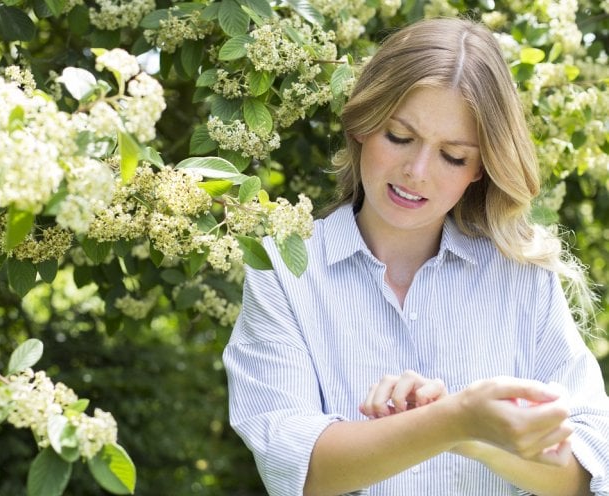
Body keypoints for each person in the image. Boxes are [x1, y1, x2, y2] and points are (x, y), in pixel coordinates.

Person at [223, 17, 609, 496]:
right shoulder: (283, 270)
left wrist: (471, 434)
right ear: (363, 123)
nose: (417, 172)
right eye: (399, 137)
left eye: (453, 155)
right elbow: (301, 470)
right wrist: (452, 421)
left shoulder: (522, 275)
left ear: (480, 170)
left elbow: (586, 473)